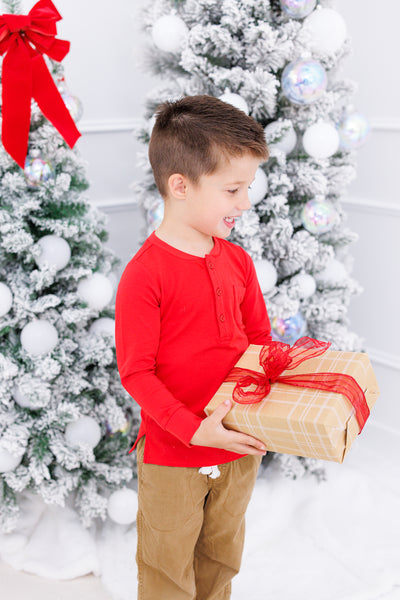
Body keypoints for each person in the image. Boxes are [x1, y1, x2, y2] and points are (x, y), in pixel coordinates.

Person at [115, 94, 272, 600]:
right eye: (232, 189)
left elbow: (262, 346)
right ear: (179, 186)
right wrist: (192, 429)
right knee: (166, 573)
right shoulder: (145, 275)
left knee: (221, 559)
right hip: (171, 458)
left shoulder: (239, 264)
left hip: (238, 449)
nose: (244, 203)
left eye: (246, 188)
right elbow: (136, 373)